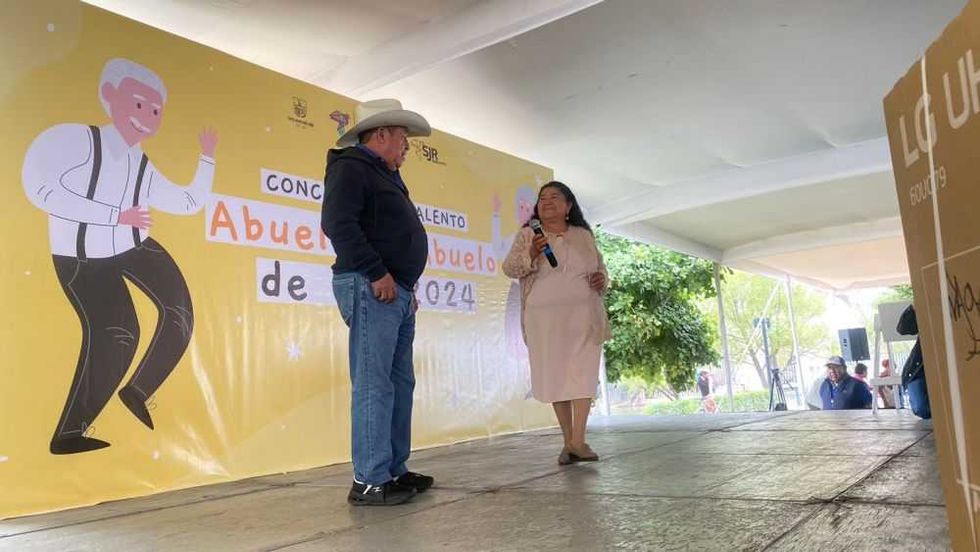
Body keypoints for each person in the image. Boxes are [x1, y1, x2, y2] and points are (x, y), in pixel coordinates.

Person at [22, 58, 218, 455]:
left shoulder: (140, 162)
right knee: (118, 333)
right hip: (82, 256)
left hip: (132, 244)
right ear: (110, 97)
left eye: (156, 110)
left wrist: (207, 159)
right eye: (139, 104)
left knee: (178, 309)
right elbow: (40, 188)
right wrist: (113, 215)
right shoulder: (74, 140)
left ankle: (138, 391)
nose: (148, 116)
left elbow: (185, 201)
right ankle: (69, 433)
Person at [321, 99, 433, 506]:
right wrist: (377, 272)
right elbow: (338, 224)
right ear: (381, 133)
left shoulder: (386, 175)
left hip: (395, 290)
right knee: (375, 383)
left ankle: (392, 470)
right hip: (372, 285)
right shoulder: (351, 167)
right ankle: (368, 479)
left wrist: (405, 286)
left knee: (399, 382)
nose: (406, 148)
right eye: (403, 140)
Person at [502, 181, 610, 465]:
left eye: (554, 197)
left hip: (584, 316)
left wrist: (602, 280)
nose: (547, 201)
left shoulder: (584, 235)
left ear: (568, 206)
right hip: (544, 319)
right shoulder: (528, 234)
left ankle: (579, 440)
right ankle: (569, 443)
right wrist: (533, 254)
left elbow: (600, 269)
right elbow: (509, 269)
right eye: (542, 198)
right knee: (556, 375)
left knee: (584, 372)